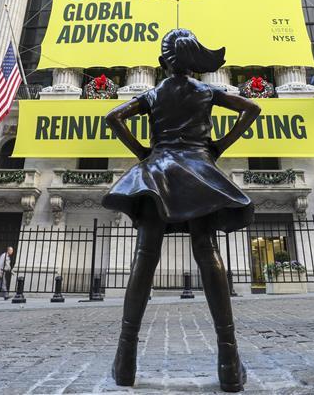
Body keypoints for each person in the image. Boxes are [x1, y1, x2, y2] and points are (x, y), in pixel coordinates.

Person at [102, 29, 260, 392]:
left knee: (145, 257)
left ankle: (125, 358)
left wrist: (143, 152)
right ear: (193, 63)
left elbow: (114, 117)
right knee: (207, 253)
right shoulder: (206, 91)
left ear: (163, 62)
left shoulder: (154, 92)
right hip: (198, 170)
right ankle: (228, 360)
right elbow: (251, 108)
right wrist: (218, 145)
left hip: (158, 171)